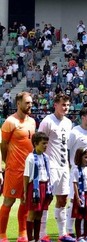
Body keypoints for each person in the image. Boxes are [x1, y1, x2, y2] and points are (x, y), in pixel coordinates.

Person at [38, 93, 77, 242]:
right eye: (63, 105)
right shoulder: (47, 121)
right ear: (55, 105)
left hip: (63, 166)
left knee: (63, 199)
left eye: (67, 105)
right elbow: (38, 142)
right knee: (46, 199)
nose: (65, 107)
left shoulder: (68, 122)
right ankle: (42, 234)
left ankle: (62, 234)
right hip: (50, 166)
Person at [0, 92, 36, 242]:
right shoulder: (10, 122)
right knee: (8, 201)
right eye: (27, 103)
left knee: (24, 201)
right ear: (18, 104)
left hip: (29, 170)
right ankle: (2, 235)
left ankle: (22, 234)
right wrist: (5, 162)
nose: (30, 105)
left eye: (31, 103)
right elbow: (4, 145)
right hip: (14, 169)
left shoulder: (33, 121)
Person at [67, 107, 87, 237]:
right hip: (77, 171)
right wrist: (71, 166)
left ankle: (84, 232)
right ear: (83, 117)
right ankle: (69, 230)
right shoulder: (75, 132)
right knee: (74, 200)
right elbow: (67, 149)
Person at [23, 131, 52, 242]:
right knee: (32, 213)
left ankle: (37, 238)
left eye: (46, 144)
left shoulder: (46, 157)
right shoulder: (30, 158)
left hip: (45, 186)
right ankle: (30, 239)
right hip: (34, 188)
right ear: (35, 143)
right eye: (43, 143)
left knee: (40, 213)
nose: (45, 146)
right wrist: (26, 192)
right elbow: (26, 176)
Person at [71, 148, 87, 242]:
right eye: (85, 157)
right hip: (81, 195)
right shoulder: (76, 170)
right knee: (79, 216)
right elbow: (75, 184)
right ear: (80, 157)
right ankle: (79, 236)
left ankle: (86, 235)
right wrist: (77, 197)